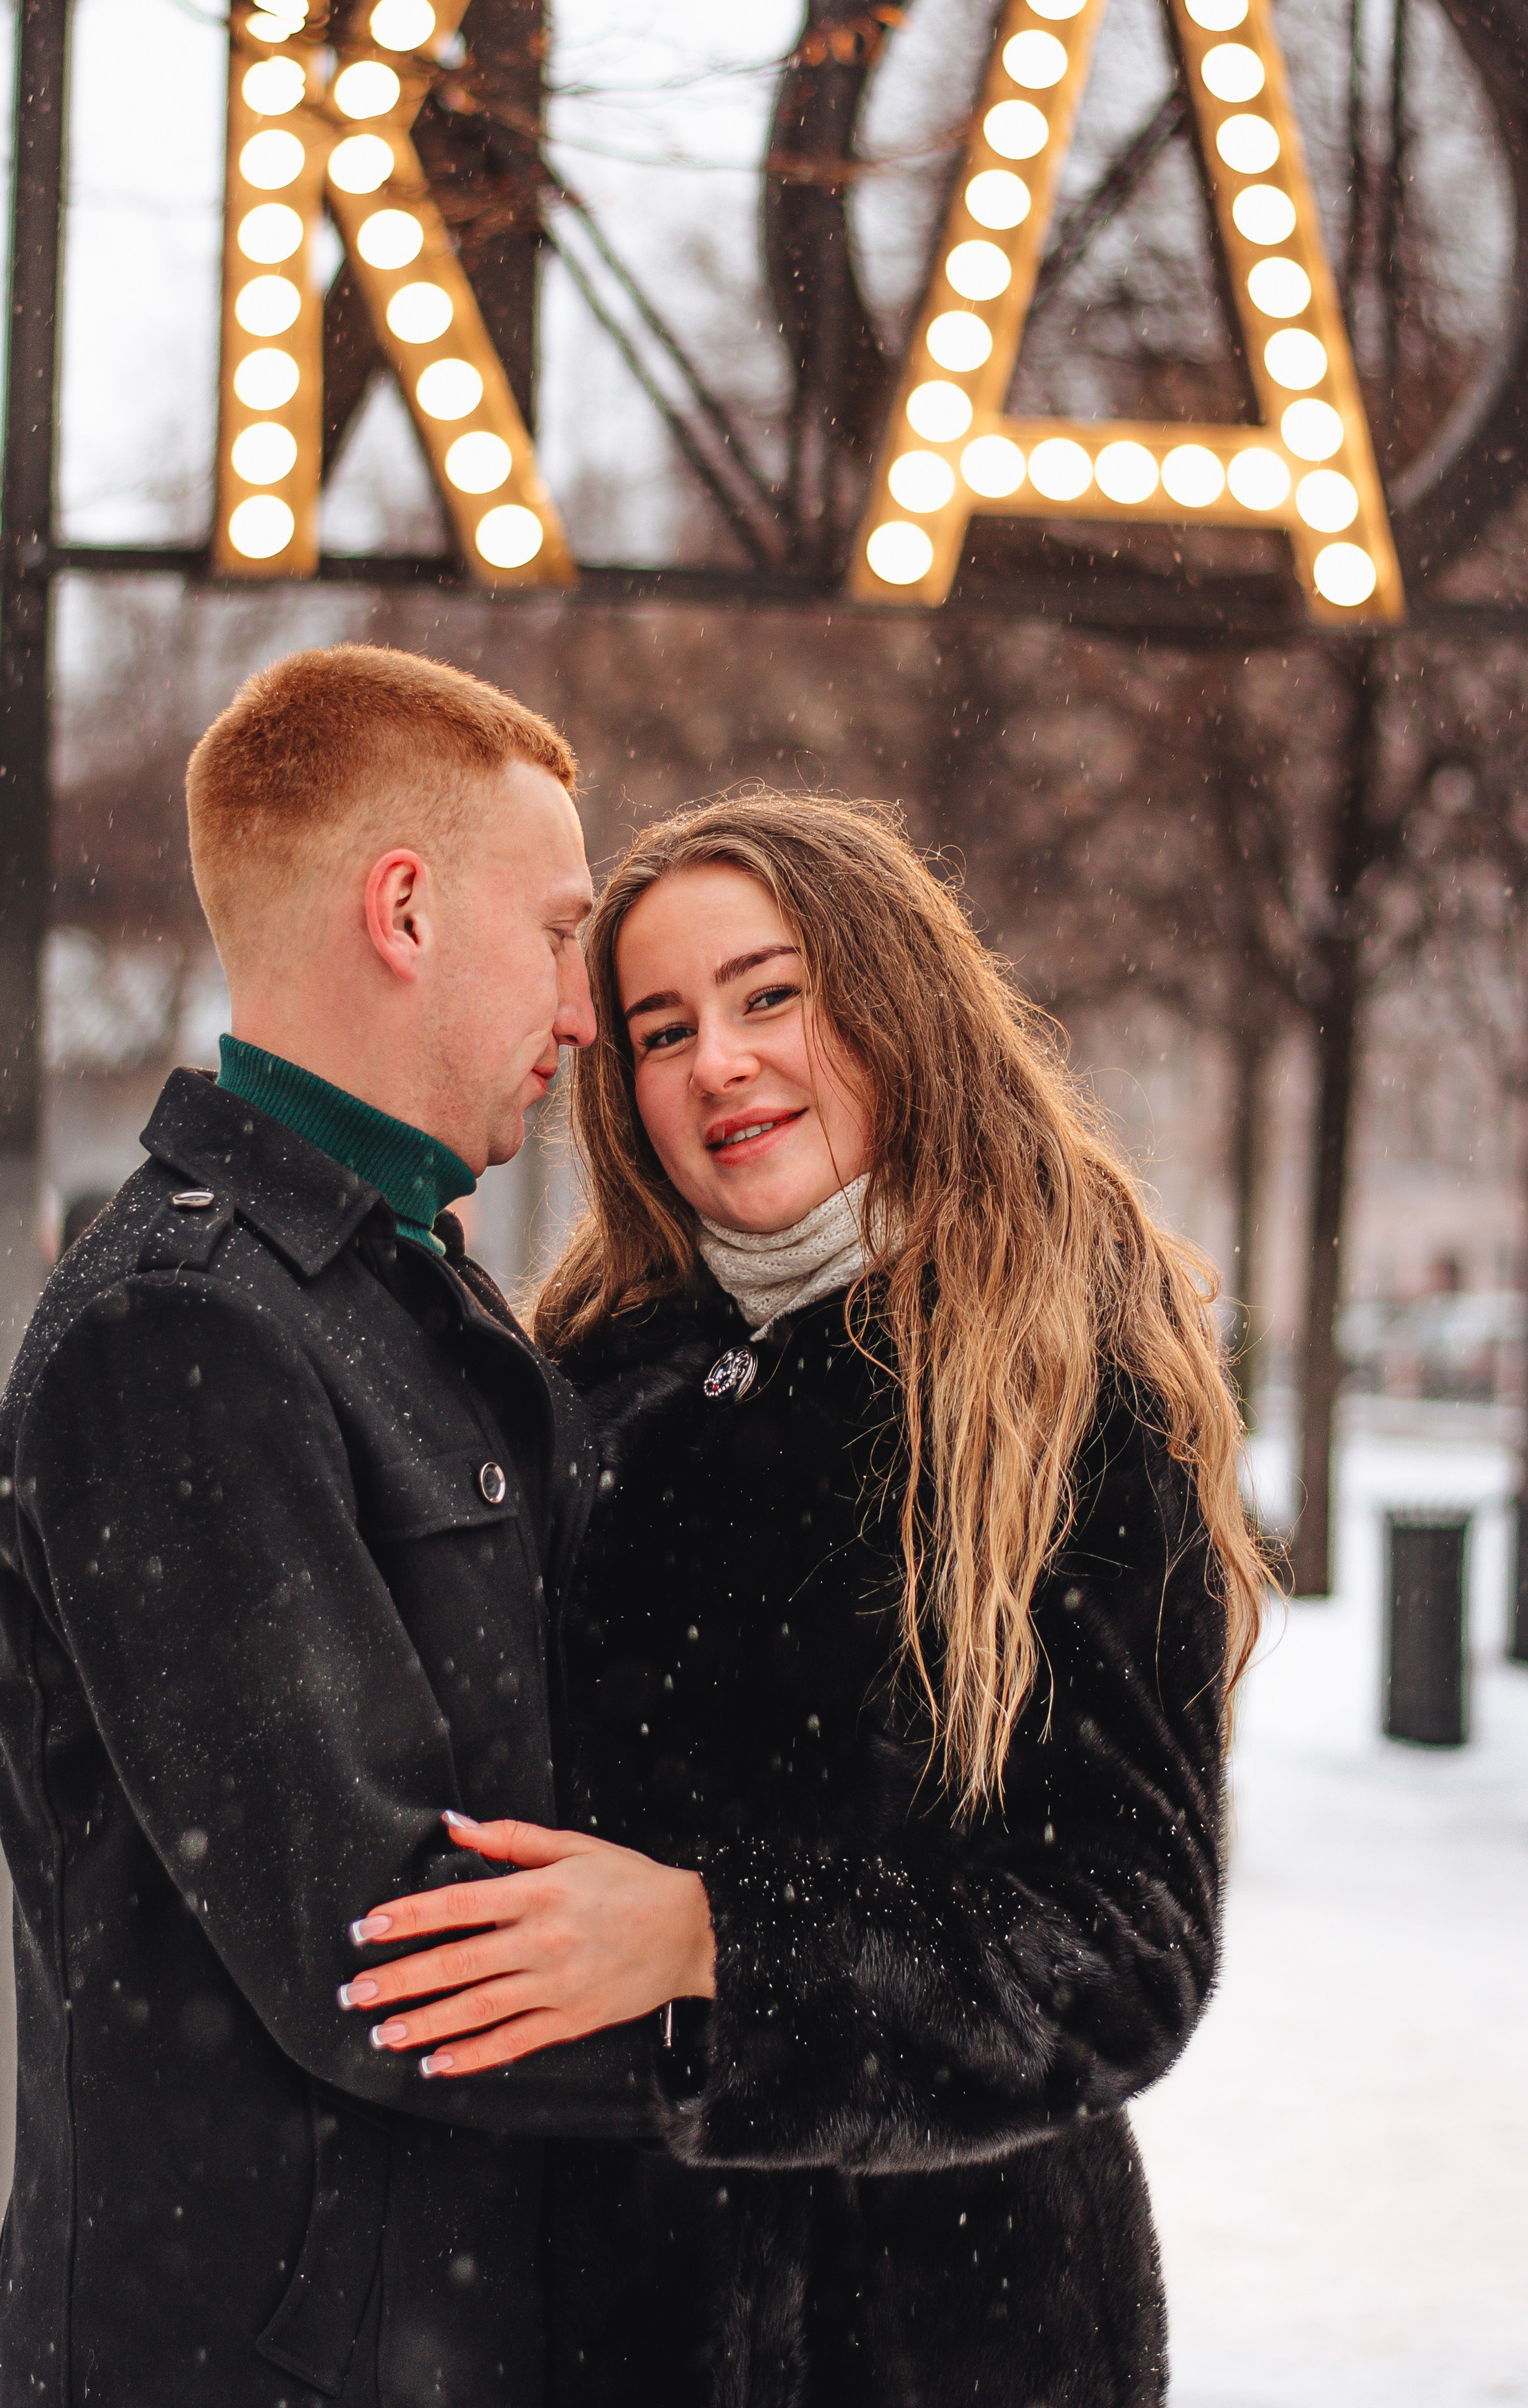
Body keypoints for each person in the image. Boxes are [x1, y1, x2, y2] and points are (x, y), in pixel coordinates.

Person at [341, 791, 1276, 2408]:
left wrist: (715, 1942)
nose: (715, 1061)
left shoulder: (1060, 1382)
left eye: (769, 994)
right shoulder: (589, 1371)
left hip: (951, 2330)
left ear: (892, 998)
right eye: (657, 1026)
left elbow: (1122, 1940)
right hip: (603, 2313)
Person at [0, 647, 669, 2408]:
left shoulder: (394, 1295)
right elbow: (382, 1939)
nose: (580, 1009)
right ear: (407, 909)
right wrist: (768, 2001)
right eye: (555, 928)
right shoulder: (189, 1329)